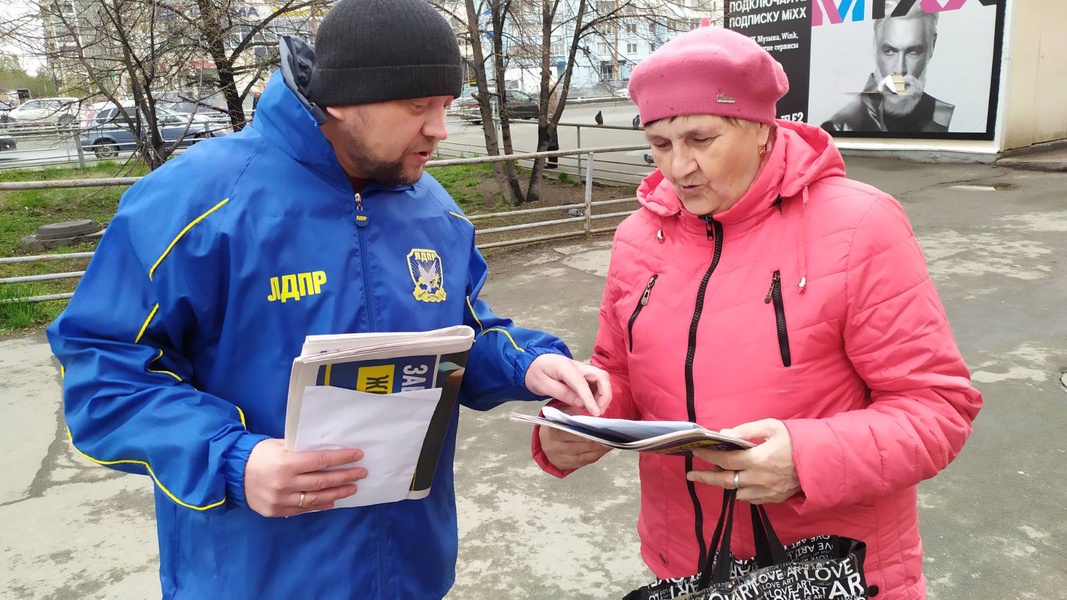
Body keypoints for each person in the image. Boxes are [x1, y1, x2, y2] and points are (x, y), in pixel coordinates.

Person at [47, 0, 610, 598]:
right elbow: (103, 377)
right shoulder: (197, 204)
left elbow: (464, 331)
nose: (440, 130)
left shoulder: (433, 208)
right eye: (417, 106)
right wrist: (232, 460)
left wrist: (529, 363)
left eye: (446, 105)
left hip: (411, 571)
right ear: (343, 98)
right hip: (255, 575)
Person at [533, 22, 981, 600]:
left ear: (763, 132)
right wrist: (579, 422)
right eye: (660, 144)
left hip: (832, 572)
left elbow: (939, 407)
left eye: (700, 139)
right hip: (687, 567)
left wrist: (807, 459)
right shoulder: (638, 238)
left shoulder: (859, 226)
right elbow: (618, 372)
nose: (677, 168)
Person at [821, 0, 954, 133]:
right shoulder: (839, 126)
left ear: (932, 46)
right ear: (875, 46)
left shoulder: (946, 117)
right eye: (889, 51)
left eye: (913, 51)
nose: (899, 69)